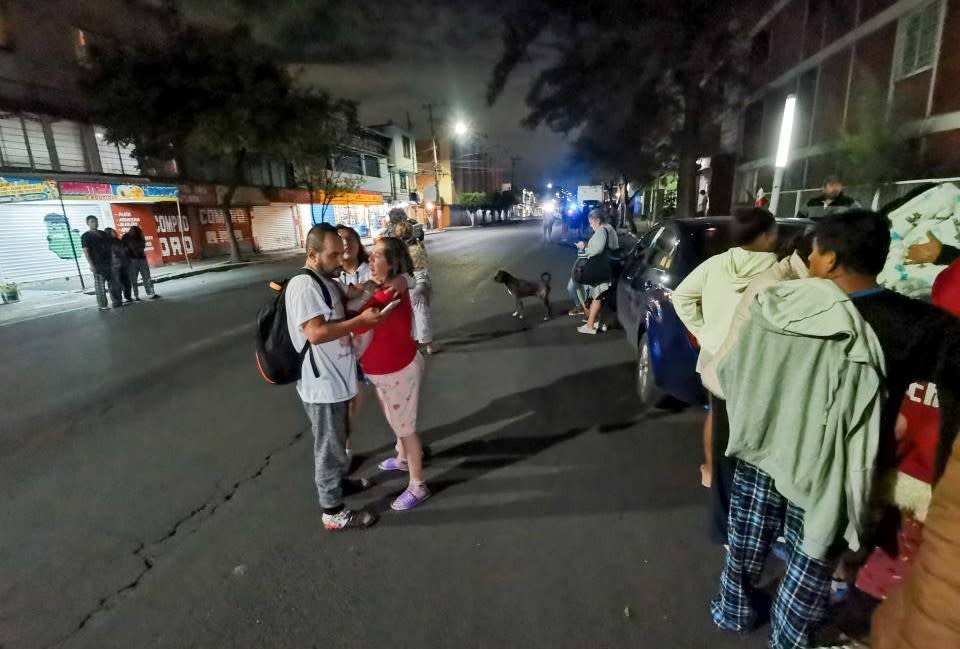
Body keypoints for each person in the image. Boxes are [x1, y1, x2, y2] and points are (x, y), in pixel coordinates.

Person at [712, 211, 960, 649]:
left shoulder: (780, 304)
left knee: (747, 544)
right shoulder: (918, 326)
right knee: (810, 565)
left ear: (829, 260)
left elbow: (733, 375)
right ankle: (788, 639)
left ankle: (733, 610)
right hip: (834, 469)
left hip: (763, 454)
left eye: (813, 253)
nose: (808, 262)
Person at [673, 207, 779, 544]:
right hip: (755, 366)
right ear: (764, 236)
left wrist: (705, 333)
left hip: (717, 361)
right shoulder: (779, 272)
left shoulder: (716, 265)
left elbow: (682, 296)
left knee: (717, 421)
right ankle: (751, 515)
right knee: (755, 438)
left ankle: (713, 482)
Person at [285, 223, 386, 531]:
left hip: (336, 378)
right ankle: (332, 511)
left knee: (339, 439)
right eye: (332, 255)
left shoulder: (325, 280)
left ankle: (340, 484)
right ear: (312, 254)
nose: (340, 261)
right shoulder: (304, 286)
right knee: (328, 448)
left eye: (341, 254)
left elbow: (346, 305)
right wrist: (359, 321)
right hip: (321, 384)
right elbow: (315, 333)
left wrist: (369, 291)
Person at [355, 237, 432, 511]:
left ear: (392, 263)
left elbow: (358, 319)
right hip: (383, 372)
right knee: (395, 420)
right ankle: (402, 458)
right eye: (371, 255)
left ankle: (418, 484)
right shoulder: (384, 289)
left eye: (377, 256)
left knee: (405, 428)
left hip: (398, 371)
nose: (370, 260)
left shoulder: (388, 294)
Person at [574, 209, 619, 335]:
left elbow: (597, 249)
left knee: (597, 296)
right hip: (607, 267)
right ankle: (602, 322)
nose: (590, 225)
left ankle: (589, 326)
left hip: (600, 267)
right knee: (602, 297)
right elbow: (614, 247)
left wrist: (584, 249)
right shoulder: (609, 228)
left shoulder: (601, 230)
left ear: (598, 221)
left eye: (591, 223)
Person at [81, 215, 119, 310]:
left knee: (113, 283)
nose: (95, 223)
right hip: (97, 264)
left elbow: (110, 248)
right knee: (100, 285)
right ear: (88, 223)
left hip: (108, 262)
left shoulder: (103, 234)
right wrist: (91, 264)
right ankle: (102, 305)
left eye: (96, 221)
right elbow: (86, 251)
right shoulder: (86, 236)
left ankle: (116, 301)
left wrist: (113, 259)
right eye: (92, 221)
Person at [409, 241, 434, 354]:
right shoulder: (409, 272)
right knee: (413, 326)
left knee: (423, 324)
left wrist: (415, 291)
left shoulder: (421, 272)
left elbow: (422, 285)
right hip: (411, 303)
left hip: (420, 304)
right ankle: (415, 345)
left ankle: (428, 345)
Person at [122, 226, 158, 300]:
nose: (133, 232)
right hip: (135, 259)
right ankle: (145, 294)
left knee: (142, 278)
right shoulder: (127, 237)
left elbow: (143, 245)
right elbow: (125, 248)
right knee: (141, 278)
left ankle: (141, 295)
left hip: (137, 259)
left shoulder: (129, 236)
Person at [104, 227, 133, 305]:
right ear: (109, 233)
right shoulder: (108, 243)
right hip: (115, 265)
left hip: (123, 264)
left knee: (126, 282)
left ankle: (127, 297)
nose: (115, 232)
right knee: (116, 283)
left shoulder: (118, 241)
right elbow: (117, 252)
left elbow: (125, 251)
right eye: (113, 231)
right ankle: (117, 301)